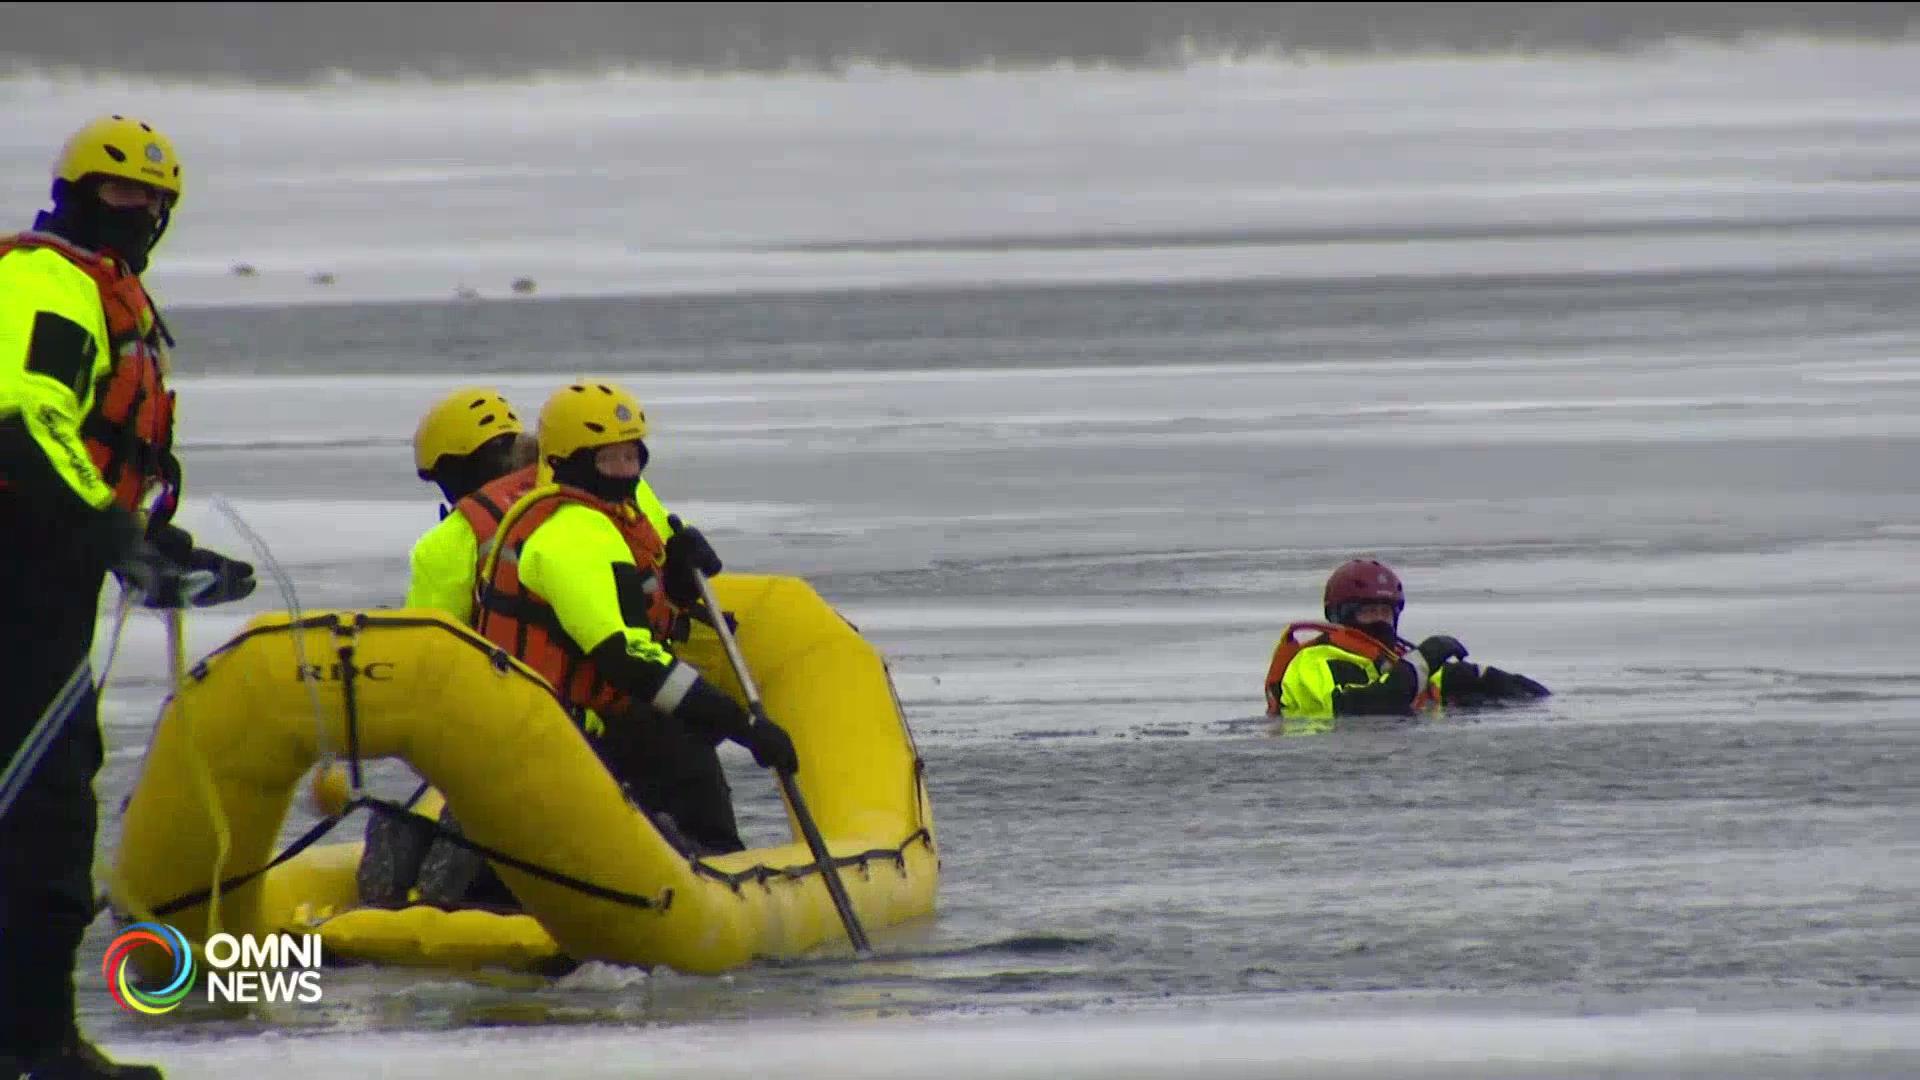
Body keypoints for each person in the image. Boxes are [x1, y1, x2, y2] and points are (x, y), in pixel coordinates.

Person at [1, 115, 256, 1080]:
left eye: (154, 198)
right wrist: (118, 539)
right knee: (39, 806)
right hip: (18, 571)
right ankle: (29, 1045)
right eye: (119, 191)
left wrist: (152, 545)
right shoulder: (48, 278)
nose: (139, 210)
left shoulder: (97, 292)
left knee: (48, 796)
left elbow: (78, 457)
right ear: (73, 194)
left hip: (43, 568)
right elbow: (24, 419)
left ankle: (29, 1033)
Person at [474, 380, 798, 856]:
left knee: (683, 731)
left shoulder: (604, 519)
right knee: (683, 745)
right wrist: (742, 726)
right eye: (609, 461)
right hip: (562, 725)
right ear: (571, 463)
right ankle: (706, 860)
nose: (625, 473)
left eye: (633, 458)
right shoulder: (574, 534)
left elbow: (640, 605)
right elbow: (626, 655)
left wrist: (678, 576)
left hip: (567, 716)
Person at [1263, 557, 1549, 735]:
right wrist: (1425, 658)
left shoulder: (1389, 657)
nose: (1380, 621)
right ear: (1343, 615)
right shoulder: (1315, 661)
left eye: (1385, 612)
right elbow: (1362, 707)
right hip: (1331, 762)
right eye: (1369, 612)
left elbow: (1427, 681)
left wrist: (1483, 678)